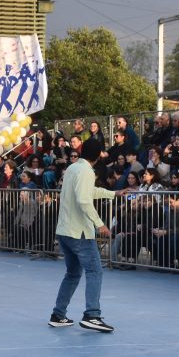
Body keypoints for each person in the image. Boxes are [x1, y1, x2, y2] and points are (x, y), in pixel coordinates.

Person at [48, 138, 117, 332]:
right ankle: (92, 315)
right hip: (80, 232)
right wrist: (100, 224)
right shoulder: (87, 171)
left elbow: (86, 192)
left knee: (72, 273)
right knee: (95, 271)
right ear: (98, 155)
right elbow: (84, 200)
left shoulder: (72, 168)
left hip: (65, 230)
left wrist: (113, 194)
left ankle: (58, 314)